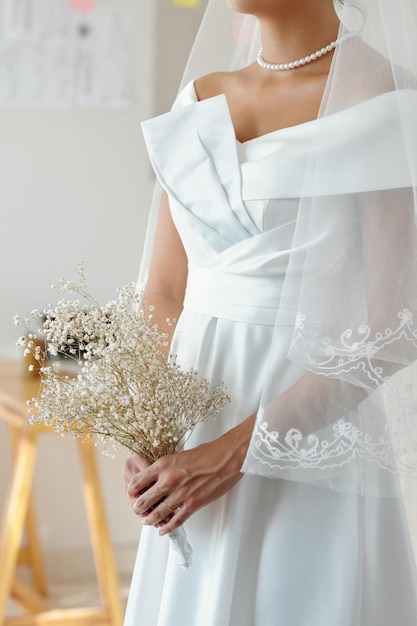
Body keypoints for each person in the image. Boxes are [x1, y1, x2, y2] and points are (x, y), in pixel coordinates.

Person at [123, 0, 417, 624]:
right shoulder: (200, 98)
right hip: (189, 433)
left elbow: (397, 328)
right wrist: (145, 426)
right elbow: (164, 291)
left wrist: (239, 450)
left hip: (307, 435)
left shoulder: (382, 97)